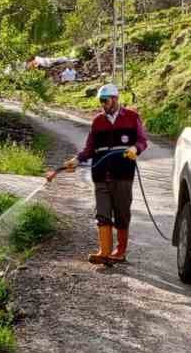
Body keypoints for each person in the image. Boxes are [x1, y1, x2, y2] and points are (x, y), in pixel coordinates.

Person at [46, 83, 148, 264]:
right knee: (102, 213)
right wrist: (76, 160)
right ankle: (104, 251)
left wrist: (135, 149)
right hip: (100, 175)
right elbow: (90, 148)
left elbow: (142, 141)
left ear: (115, 99)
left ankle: (120, 251)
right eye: (100, 101)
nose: (102, 104)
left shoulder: (132, 117)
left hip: (123, 174)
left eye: (105, 100)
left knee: (122, 213)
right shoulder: (97, 121)